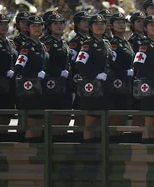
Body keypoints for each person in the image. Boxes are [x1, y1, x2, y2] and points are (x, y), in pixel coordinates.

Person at [74, 14, 112, 142]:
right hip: (91, 87)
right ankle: (88, 152)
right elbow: (79, 64)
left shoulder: (106, 43)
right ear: (91, 27)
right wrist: (94, 74)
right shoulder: (88, 44)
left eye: (102, 24)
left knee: (101, 123)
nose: (100, 26)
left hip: (104, 87)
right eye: (96, 24)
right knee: (91, 122)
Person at [133, 15, 154, 143]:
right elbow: (138, 64)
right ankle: (147, 151)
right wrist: (153, 76)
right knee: (150, 123)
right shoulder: (145, 45)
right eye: (152, 25)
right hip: (149, 86)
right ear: (145, 28)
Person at [14, 15, 46, 141]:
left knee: (39, 124)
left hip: (40, 90)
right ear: (28, 28)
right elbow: (19, 67)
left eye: (39, 25)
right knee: (32, 125)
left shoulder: (41, 45)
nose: (37, 28)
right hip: (30, 90)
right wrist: (34, 75)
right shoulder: (27, 46)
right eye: (34, 26)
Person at [41, 12, 72, 136]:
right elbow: (44, 64)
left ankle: (62, 139)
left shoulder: (63, 42)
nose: (59, 26)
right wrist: (57, 72)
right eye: (55, 24)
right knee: (55, 117)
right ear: (49, 26)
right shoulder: (46, 42)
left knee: (65, 115)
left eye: (61, 23)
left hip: (64, 83)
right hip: (52, 84)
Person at [107, 13, 134, 139]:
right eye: (118, 22)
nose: (122, 25)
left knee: (123, 117)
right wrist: (124, 72)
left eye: (123, 22)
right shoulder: (113, 43)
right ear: (111, 25)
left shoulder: (126, 42)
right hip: (115, 83)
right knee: (116, 118)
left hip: (126, 83)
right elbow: (110, 63)